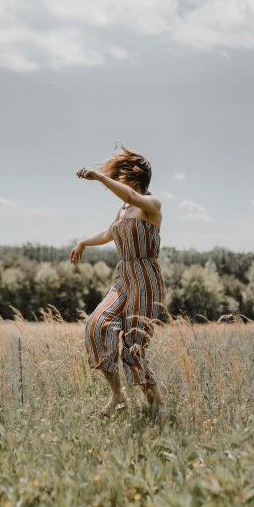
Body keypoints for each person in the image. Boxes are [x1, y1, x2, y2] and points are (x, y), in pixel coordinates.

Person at [70, 143, 166, 418]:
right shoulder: (123, 209)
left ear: (135, 180)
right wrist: (83, 243)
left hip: (146, 280)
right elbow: (109, 233)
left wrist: (100, 178)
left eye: (122, 178)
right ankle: (118, 397)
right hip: (123, 278)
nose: (117, 183)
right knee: (97, 325)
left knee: (134, 348)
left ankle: (156, 407)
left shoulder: (151, 204)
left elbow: (132, 197)